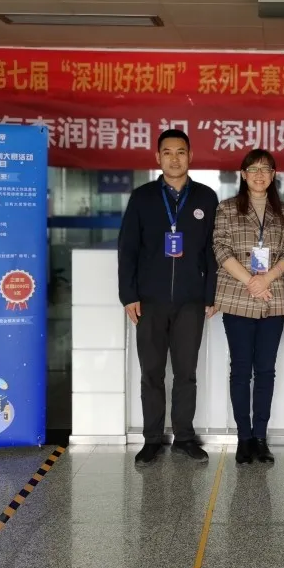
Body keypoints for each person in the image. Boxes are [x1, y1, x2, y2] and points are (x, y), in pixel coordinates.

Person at [118, 129, 219, 466]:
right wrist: (129, 295)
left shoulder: (206, 198)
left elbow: (212, 251)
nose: (174, 159)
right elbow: (128, 249)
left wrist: (210, 294)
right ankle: (152, 440)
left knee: (186, 373)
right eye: (167, 152)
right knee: (152, 372)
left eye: (181, 152)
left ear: (190, 156)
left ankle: (185, 438)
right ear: (157, 157)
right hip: (150, 300)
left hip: (191, 300)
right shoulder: (143, 197)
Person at [213, 149, 284, 465]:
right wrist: (252, 281)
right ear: (243, 174)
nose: (259, 175)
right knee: (240, 370)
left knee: (265, 371)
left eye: (266, 169)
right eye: (253, 169)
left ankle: (260, 437)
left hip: (272, 300)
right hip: (238, 297)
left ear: (274, 175)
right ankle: (243, 437)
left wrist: (267, 279)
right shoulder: (227, 208)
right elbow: (220, 249)